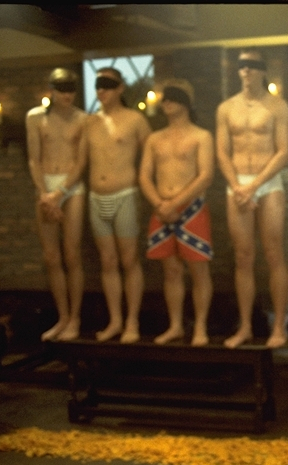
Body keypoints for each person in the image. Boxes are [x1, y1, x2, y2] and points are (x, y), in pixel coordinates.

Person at [216, 48, 288, 348]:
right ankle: (245, 326)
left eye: (252, 65)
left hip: (268, 182)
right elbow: (222, 151)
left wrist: (255, 185)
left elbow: (283, 151)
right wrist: (237, 186)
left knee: (274, 253)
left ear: (263, 70)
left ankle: (279, 327)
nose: (246, 70)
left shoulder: (277, 106)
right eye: (242, 65)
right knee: (243, 257)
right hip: (237, 184)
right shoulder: (226, 108)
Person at [139, 80, 214, 346]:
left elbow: (206, 175)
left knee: (198, 270)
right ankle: (175, 326)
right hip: (161, 208)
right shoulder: (154, 139)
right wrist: (160, 203)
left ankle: (201, 327)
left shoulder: (201, 136)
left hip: (191, 209)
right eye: (165, 98)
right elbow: (144, 175)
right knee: (170, 271)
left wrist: (176, 203)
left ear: (186, 101)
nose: (167, 101)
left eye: (173, 97)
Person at [80, 67, 152, 343]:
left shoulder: (135, 120)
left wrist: (146, 185)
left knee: (129, 259)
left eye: (107, 85)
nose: (101, 90)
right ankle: (115, 320)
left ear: (120, 88)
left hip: (125, 195)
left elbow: (152, 154)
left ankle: (132, 321)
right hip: (96, 198)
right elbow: (79, 160)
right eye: (98, 85)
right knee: (107, 261)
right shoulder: (89, 122)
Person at [25, 67, 88, 341]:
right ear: (51, 90)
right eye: (62, 89)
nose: (67, 95)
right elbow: (34, 159)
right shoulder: (35, 117)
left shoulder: (83, 119)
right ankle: (62, 317)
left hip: (71, 187)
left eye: (71, 89)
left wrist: (60, 193)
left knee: (72, 254)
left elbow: (81, 161)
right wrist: (44, 193)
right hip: (46, 185)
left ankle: (75, 318)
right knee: (51, 256)